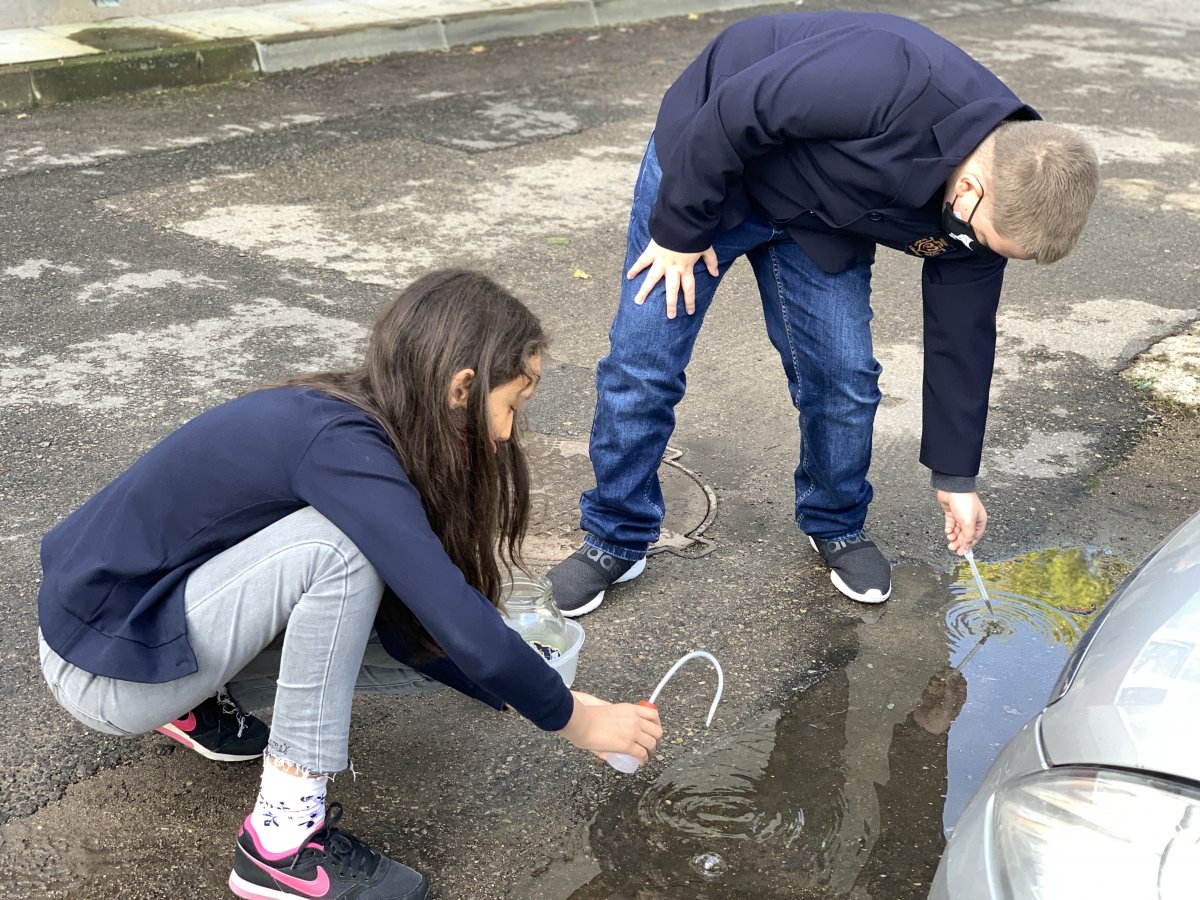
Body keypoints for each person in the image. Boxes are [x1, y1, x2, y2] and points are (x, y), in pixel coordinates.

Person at [37, 269, 663, 900]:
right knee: (338, 552)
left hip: (133, 633)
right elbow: (450, 612)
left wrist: (532, 688)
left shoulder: (360, 416)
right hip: (104, 672)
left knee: (427, 627)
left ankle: (196, 705)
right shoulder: (339, 444)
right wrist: (574, 719)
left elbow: (427, 623)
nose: (506, 434)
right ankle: (279, 844)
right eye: (511, 407)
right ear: (462, 387)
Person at [548, 11, 1100, 615]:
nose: (975, 250)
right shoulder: (891, 77)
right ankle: (616, 535)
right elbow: (733, 111)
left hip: (820, 215)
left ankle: (835, 522)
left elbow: (961, 339)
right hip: (712, 166)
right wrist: (680, 230)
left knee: (843, 377)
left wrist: (956, 478)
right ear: (970, 189)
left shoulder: (999, 204)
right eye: (982, 238)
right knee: (644, 361)